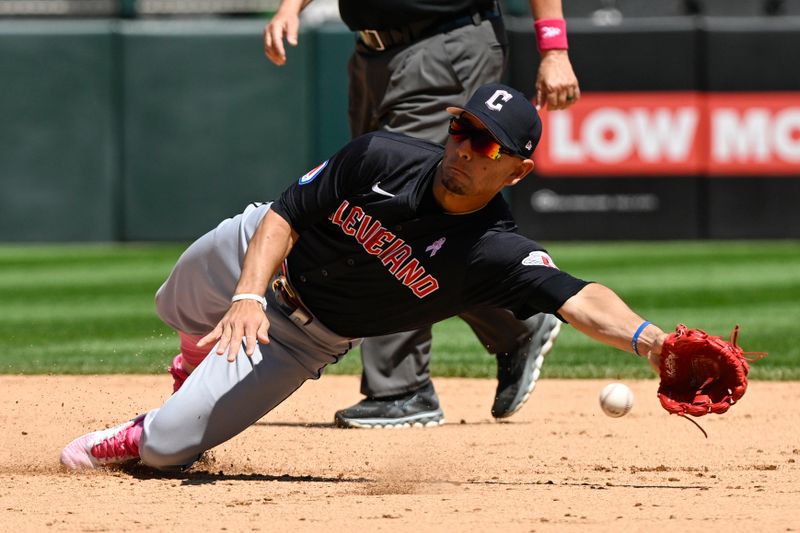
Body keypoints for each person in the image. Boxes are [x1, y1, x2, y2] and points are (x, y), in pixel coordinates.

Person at [61, 83, 667, 472]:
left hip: (303, 338)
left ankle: (165, 414)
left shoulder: (494, 252)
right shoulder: (380, 155)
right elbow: (285, 215)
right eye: (463, 130)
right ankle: (196, 362)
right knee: (174, 304)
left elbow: (577, 295)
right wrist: (247, 294)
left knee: (167, 449)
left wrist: (654, 342)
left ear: (516, 172)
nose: (463, 148)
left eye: (486, 147)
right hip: (258, 253)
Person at [255, 0, 581, 428]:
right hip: (373, 53)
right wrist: (290, 8)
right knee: (377, 201)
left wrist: (553, 47)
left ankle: (403, 389)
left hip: (445, 44)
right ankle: (514, 325)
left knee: (402, 208)